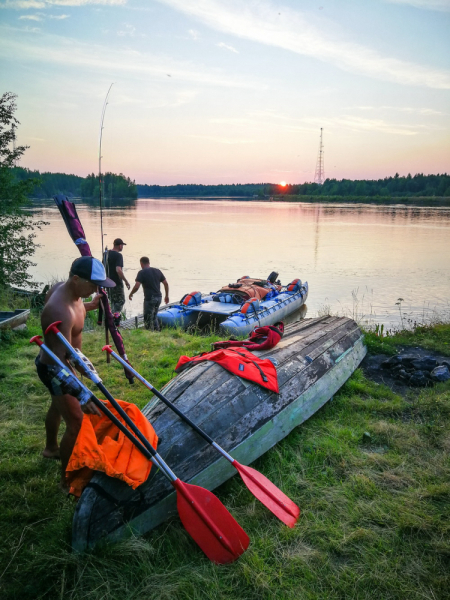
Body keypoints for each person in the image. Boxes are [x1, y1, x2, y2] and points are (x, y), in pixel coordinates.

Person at [35, 256, 116, 489]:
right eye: (93, 285)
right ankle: (66, 481)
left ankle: (51, 449)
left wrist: (90, 304)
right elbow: (57, 362)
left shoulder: (68, 291)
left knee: (57, 406)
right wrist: (81, 393)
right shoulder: (58, 311)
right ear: (76, 279)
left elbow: (76, 307)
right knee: (77, 421)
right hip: (55, 368)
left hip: (60, 362)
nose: (96, 289)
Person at [129, 256, 169, 331]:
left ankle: (149, 334)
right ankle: (157, 332)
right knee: (154, 316)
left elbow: (137, 286)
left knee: (147, 319)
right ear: (149, 263)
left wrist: (131, 294)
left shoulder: (142, 272)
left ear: (141, 264)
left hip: (150, 298)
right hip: (159, 297)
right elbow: (166, 283)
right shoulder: (157, 271)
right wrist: (166, 296)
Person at [106, 238, 130, 326]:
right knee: (121, 301)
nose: (122, 247)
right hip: (116, 283)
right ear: (120, 246)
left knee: (112, 301)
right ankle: (116, 318)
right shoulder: (118, 256)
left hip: (107, 282)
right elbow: (118, 270)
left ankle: (111, 320)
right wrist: (126, 281)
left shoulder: (106, 254)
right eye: (122, 246)